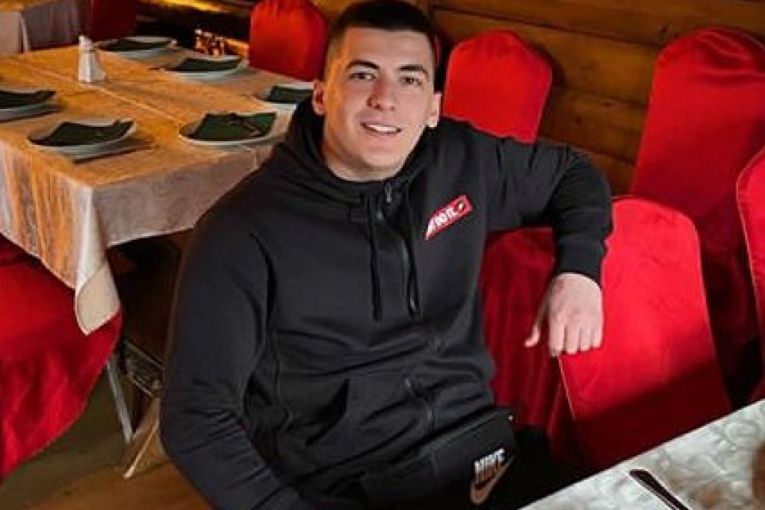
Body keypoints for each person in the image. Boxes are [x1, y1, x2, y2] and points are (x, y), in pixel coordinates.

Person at [160, 1, 612, 509]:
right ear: (320, 95)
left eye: (409, 79)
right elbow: (194, 419)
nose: (385, 99)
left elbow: (574, 175)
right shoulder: (242, 232)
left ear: (434, 107)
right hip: (349, 483)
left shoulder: (460, 159)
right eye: (362, 74)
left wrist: (579, 272)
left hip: (481, 452)